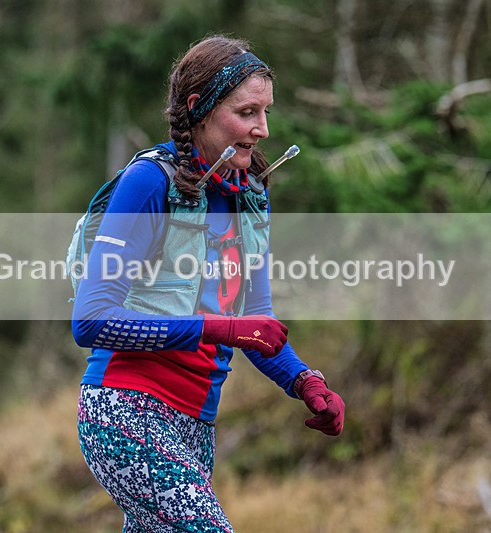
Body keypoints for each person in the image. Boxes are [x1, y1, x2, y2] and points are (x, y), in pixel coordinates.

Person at [72, 35, 346, 532]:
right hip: (127, 411)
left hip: (196, 426)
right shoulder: (149, 183)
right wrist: (218, 330)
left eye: (266, 112)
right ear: (198, 109)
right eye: (247, 112)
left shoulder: (249, 197)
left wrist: (306, 382)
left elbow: (256, 327)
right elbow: (91, 320)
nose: (262, 129)